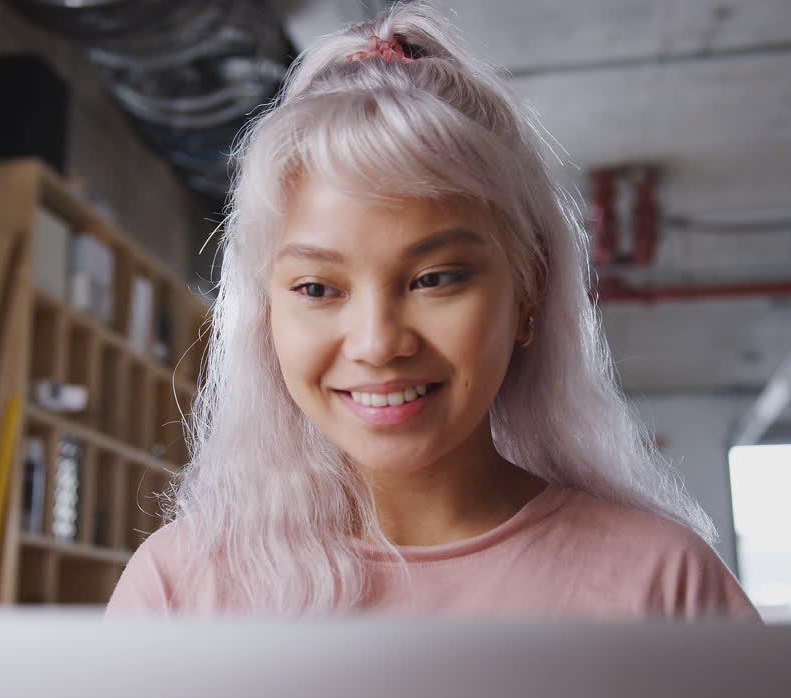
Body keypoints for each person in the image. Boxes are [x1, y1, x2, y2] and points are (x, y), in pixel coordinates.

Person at [107, 2, 757, 620]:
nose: (377, 343)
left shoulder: (664, 583)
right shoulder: (179, 586)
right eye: (316, 288)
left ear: (528, 291)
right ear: (263, 315)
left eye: (434, 278)